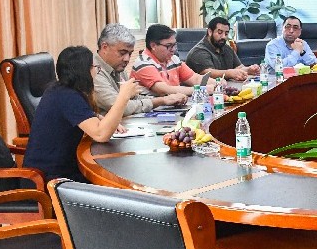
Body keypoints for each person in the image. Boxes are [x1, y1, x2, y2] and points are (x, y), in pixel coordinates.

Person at [24, 46, 139, 182]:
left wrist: (102, 119)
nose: (96, 71)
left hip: (60, 171)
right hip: (51, 180)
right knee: (120, 182)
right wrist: (123, 97)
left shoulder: (58, 89)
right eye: (94, 67)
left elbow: (81, 114)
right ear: (83, 71)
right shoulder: (68, 96)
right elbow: (101, 135)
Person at [93, 23, 186, 115]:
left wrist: (166, 100)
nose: (127, 59)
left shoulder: (118, 67)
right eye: (122, 53)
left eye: (130, 54)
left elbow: (134, 98)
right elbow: (120, 107)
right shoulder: (94, 71)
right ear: (105, 47)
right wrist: (161, 101)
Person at [131, 24, 214, 97]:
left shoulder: (173, 59)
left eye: (174, 45)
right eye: (169, 46)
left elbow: (195, 79)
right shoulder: (143, 63)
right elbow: (166, 90)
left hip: (172, 105)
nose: (173, 49)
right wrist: (202, 89)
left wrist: (217, 83)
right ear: (153, 46)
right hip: (152, 108)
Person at [185, 16, 260, 81]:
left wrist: (248, 70)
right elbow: (208, 73)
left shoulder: (226, 48)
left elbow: (239, 67)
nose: (224, 36)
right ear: (210, 32)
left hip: (225, 88)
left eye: (226, 33)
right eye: (220, 32)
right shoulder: (199, 51)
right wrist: (229, 73)